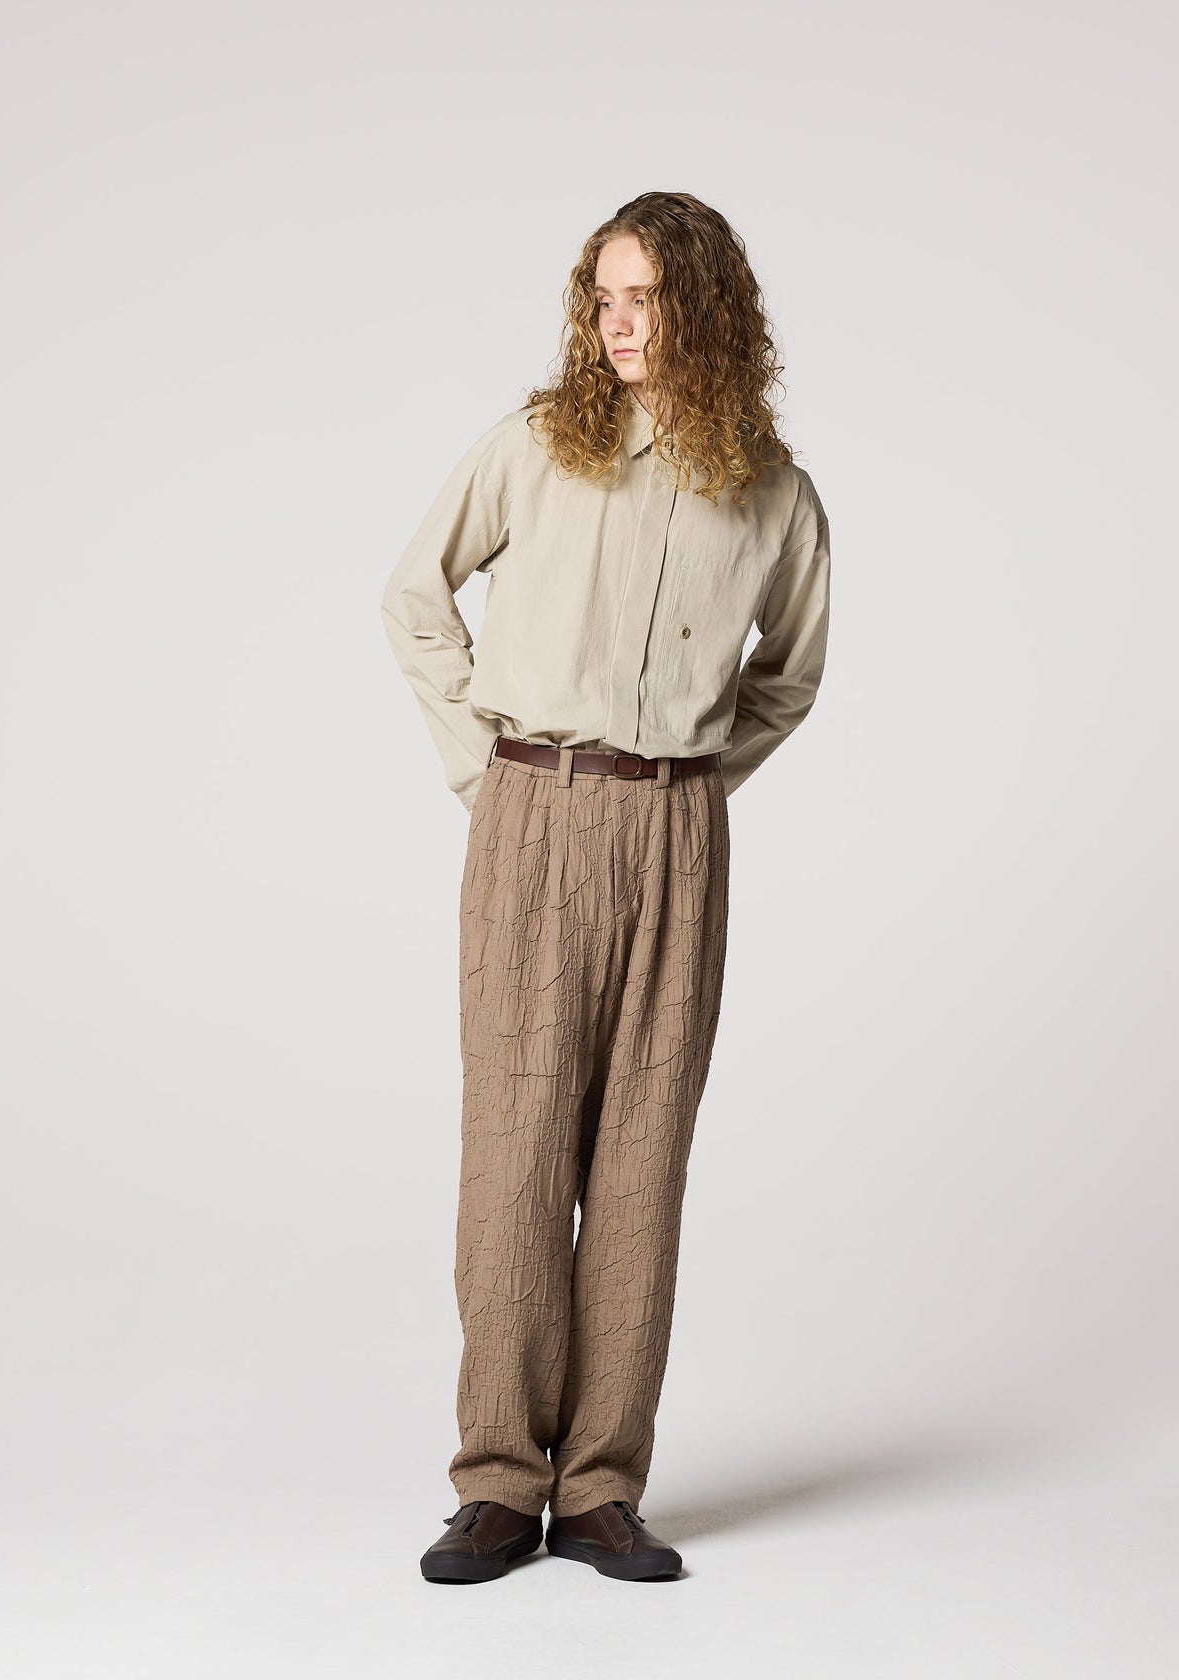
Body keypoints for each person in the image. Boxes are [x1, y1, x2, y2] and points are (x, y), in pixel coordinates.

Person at [381, 190, 831, 1583]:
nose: (616, 323)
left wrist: (691, 790)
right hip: (537, 811)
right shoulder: (534, 448)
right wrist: (491, 773)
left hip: (676, 837)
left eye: (644, 298)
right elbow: (414, 594)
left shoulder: (772, 488)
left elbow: (790, 675)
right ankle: (501, 1483)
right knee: (517, 1150)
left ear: (705, 309)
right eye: (603, 296)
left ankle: (600, 1492)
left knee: (641, 1154)